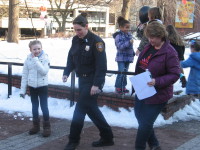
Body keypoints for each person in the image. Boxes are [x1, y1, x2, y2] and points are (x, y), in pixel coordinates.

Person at [62, 12, 114, 150]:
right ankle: (107, 136)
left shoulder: (97, 42)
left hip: (92, 81)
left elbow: (101, 66)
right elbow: (71, 57)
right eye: (75, 30)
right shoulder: (75, 40)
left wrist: (96, 84)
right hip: (82, 80)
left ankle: (73, 140)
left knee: (79, 110)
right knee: (92, 110)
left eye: (79, 29)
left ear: (87, 26)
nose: (77, 32)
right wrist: (66, 72)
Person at [134, 22, 180, 150]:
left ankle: (139, 147)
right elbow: (141, 66)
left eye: (153, 37)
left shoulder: (170, 52)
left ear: (161, 35)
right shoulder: (148, 47)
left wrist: (157, 81)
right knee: (140, 118)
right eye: (148, 37)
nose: (150, 40)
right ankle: (154, 144)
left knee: (145, 124)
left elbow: (175, 74)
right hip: (142, 89)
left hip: (158, 94)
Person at [20, 40, 51, 137]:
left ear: (41, 48)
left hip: (42, 86)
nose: (37, 51)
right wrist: (22, 90)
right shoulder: (28, 59)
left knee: (44, 107)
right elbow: (25, 75)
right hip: (32, 87)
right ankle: (36, 126)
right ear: (30, 50)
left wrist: (36, 60)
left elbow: (44, 72)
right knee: (34, 107)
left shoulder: (45, 58)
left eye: (38, 48)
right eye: (34, 49)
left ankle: (47, 127)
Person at [113, 16, 135, 95]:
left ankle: (123, 86)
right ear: (121, 27)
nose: (128, 29)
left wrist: (132, 52)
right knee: (121, 72)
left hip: (128, 57)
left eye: (129, 27)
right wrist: (129, 42)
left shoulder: (129, 35)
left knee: (125, 73)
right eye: (126, 27)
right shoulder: (118, 36)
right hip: (121, 57)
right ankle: (118, 87)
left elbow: (130, 46)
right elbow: (120, 47)